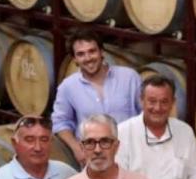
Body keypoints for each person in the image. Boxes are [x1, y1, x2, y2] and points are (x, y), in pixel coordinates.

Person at [51, 29, 141, 165]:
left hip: (131, 156)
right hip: (93, 160)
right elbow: (60, 122)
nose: (88, 58)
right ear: (74, 59)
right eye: (81, 54)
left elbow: (145, 114)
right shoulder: (68, 87)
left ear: (101, 52)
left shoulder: (129, 77)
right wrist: (76, 148)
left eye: (92, 51)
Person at [117, 74, 196, 179]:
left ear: (173, 103)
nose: (158, 108)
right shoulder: (123, 132)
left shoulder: (185, 131)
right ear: (141, 101)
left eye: (164, 102)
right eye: (152, 101)